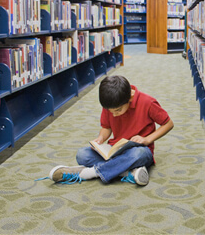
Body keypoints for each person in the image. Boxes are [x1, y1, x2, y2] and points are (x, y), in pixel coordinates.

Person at [41, 75, 174, 186]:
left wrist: (147, 139)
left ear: (129, 99)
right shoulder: (111, 104)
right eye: (111, 111)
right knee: (82, 155)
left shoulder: (148, 102)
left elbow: (168, 124)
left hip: (139, 150)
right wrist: (100, 139)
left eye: (118, 110)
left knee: (138, 155)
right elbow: (106, 127)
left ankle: (88, 173)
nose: (114, 115)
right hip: (114, 150)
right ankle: (126, 172)